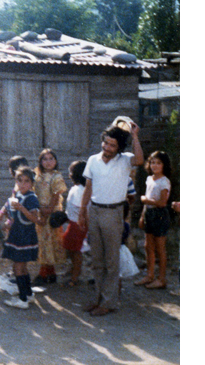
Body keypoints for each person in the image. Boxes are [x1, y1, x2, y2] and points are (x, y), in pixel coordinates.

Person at [78, 122, 144, 317]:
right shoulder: (93, 160)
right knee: (97, 259)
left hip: (114, 213)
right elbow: (88, 188)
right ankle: (99, 298)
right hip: (95, 211)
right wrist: (83, 211)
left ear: (119, 148)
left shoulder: (125, 160)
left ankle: (109, 302)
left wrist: (135, 136)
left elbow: (140, 160)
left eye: (112, 145)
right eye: (105, 143)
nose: (107, 148)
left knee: (111, 260)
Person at [0, 167, 41, 309]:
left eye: (26, 181)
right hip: (16, 234)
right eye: (20, 180)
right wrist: (8, 222)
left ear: (31, 183)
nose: (23, 184)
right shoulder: (17, 195)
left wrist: (22, 208)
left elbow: (35, 218)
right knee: (21, 267)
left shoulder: (31, 198)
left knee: (18, 267)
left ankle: (22, 300)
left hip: (26, 236)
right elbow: (13, 214)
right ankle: (28, 294)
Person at [134, 151, 172, 290]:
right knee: (147, 246)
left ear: (164, 165)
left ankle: (161, 279)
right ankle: (149, 275)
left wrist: (145, 199)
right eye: (152, 162)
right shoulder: (149, 179)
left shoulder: (164, 181)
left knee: (160, 248)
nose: (155, 165)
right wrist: (143, 216)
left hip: (159, 215)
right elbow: (147, 203)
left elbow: (162, 203)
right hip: (149, 213)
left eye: (158, 163)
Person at [33, 149, 67, 285]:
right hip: (40, 211)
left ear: (56, 161)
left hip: (51, 213)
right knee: (42, 242)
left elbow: (56, 195)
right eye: (45, 159)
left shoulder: (56, 177)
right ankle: (50, 272)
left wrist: (47, 211)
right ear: (40, 162)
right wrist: (39, 209)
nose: (48, 162)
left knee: (50, 242)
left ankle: (44, 273)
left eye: (51, 158)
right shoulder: (38, 175)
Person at [61, 161, 88, 287]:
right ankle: (74, 270)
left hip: (78, 225)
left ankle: (75, 277)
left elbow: (82, 211)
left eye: (71, 171)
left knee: (76, 251)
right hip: (72, 223)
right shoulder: (76, 188)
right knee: (70, 249)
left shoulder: (80, 191)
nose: (69, 174)